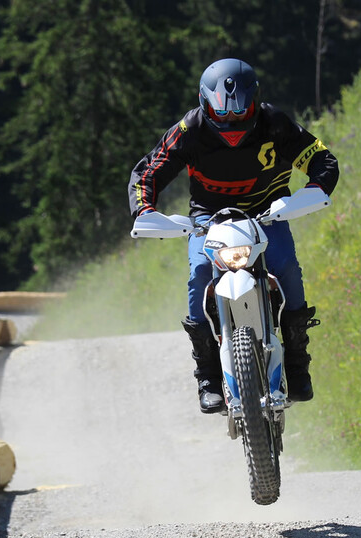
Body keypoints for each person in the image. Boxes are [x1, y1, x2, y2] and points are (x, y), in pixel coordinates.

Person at [128, 58, 339, 413]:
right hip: (208, 218)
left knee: (286, 266)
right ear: (204, 103)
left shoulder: (275, 123)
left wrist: (312, 191)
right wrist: (144, 210)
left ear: (254, 101)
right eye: (222, 113)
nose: (231, 121)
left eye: (241, 112)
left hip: (268, 213)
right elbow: (148, 172)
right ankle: (207, 376)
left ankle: (297, 363)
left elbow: (322, 159)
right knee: (199, 273)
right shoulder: (189, 129)